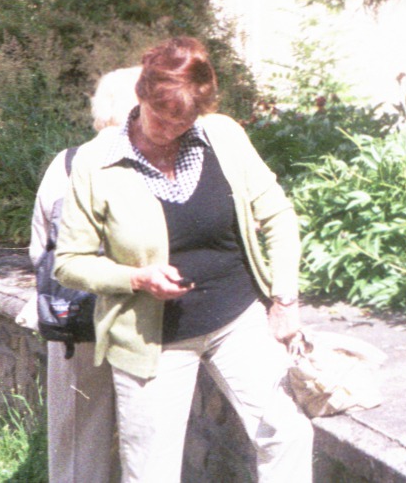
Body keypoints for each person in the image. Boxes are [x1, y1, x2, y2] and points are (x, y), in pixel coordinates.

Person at [55, 38, 312, 483]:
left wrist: (283, 300)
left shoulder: (223, 135)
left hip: (238, 319)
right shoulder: (96, 162)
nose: (172, 130)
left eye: (185, 120)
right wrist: (136, 277)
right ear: (141, 95)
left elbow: (279, 216)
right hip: (152, 338)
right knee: (151, 472)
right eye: (162, 117)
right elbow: (70, 262)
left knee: (286, 433)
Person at [28, 66, 139, 483]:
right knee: (145, 435)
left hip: (74, 314)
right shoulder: (152, 161)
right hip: (143, 314)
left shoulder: (66, 162)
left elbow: (41, 247)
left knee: (77, 434)